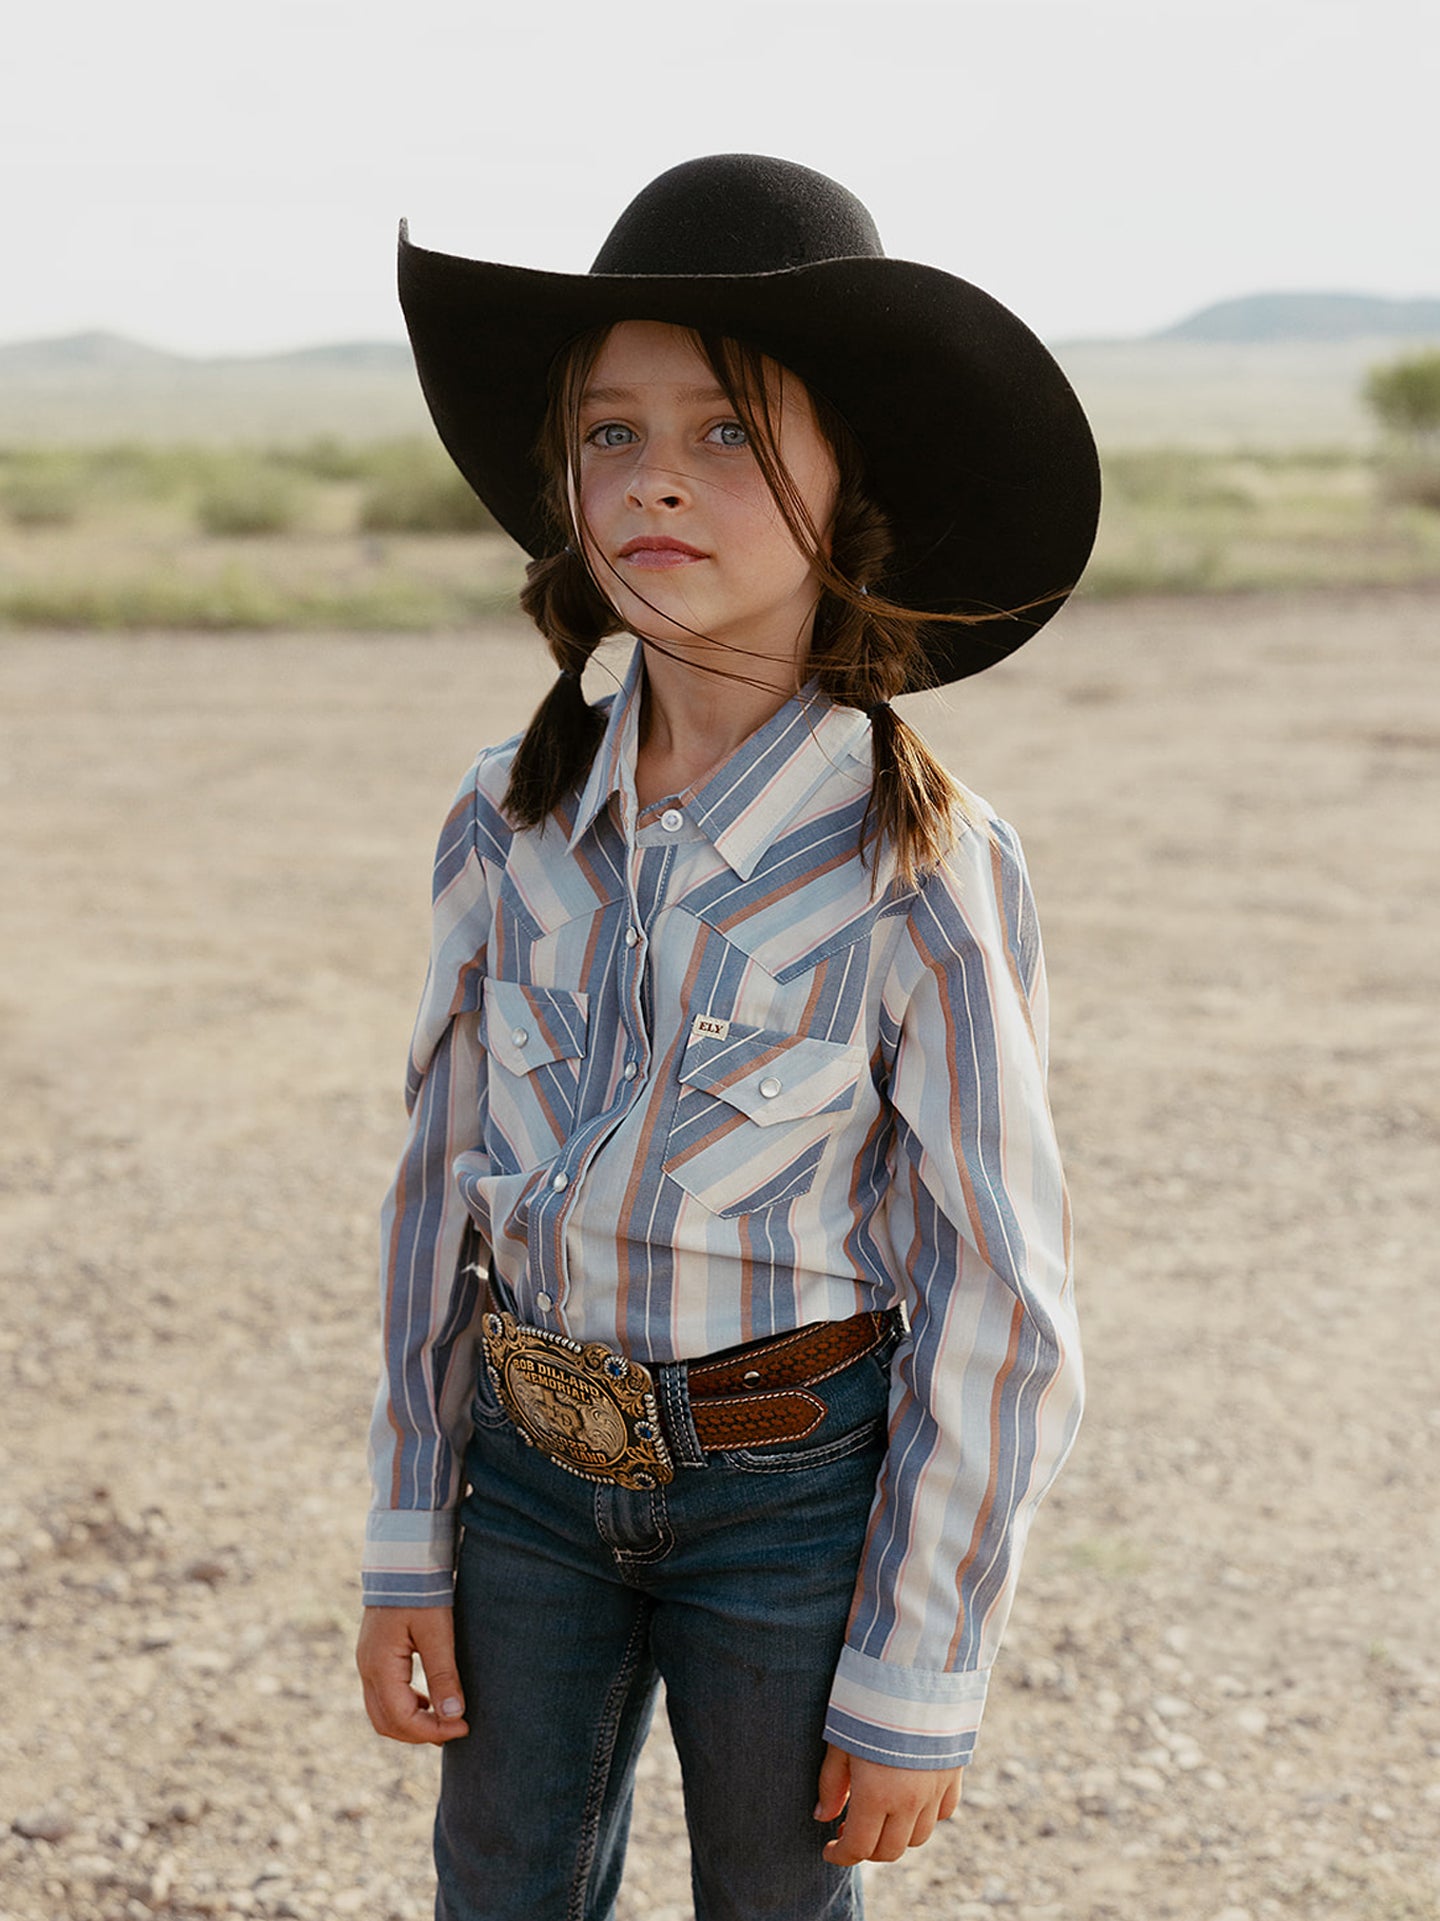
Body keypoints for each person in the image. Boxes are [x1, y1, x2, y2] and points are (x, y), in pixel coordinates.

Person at [355, 153, 1100, 1921]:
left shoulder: (920, 863)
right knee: (500, 1894)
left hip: (790, 1501)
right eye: (611, 434)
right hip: (525, 1489)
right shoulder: (507, 822)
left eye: (728, 435)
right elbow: (428, 1198)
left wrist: (922, 1672)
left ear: (851, 498)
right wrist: (408, 1530)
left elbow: (1002, 1286)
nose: (656, 479)